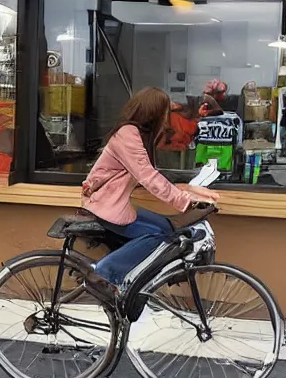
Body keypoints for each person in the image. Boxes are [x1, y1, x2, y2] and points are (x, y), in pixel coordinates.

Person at [82, 87, 220, 286]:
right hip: (105, 204)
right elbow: (148, 176)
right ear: (153, 113)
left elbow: (152, 173)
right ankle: (103, 274)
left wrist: (190, 186)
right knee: (160, 236)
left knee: (167, 228)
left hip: (114, 202)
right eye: (165, 112)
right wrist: (184, 200)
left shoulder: (140, 134)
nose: (167, 118)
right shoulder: (127, 134)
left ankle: (132, 283)